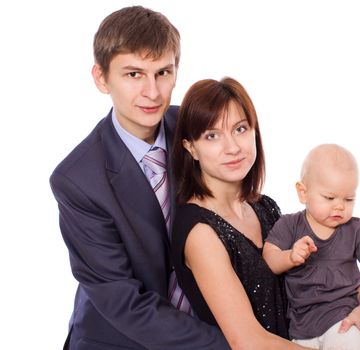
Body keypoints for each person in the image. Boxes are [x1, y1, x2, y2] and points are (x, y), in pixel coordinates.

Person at [50, 6, 230, 350]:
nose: (152, 92)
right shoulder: (77, 180)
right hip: (119, 341)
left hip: (211, 323)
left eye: (163, 72)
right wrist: (237, 343)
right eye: (134, 74)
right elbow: (125, 304)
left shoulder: (197, 130)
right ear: (102, 78)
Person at [171, 79, 360, 350]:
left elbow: (327, 274)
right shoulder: (200, 231)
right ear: (191, 148)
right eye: (212, 135)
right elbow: (247, 341)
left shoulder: (266, 208)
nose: (233, 147)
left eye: (240, 129)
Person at [263, 143, 360, 350]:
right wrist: (290, 256)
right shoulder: (289, 225)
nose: (340, 206)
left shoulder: (356, 229)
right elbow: (268, 259)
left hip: (343, 320)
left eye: (349, 199)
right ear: (303, 192)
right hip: (300, 328)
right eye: (329, 198)